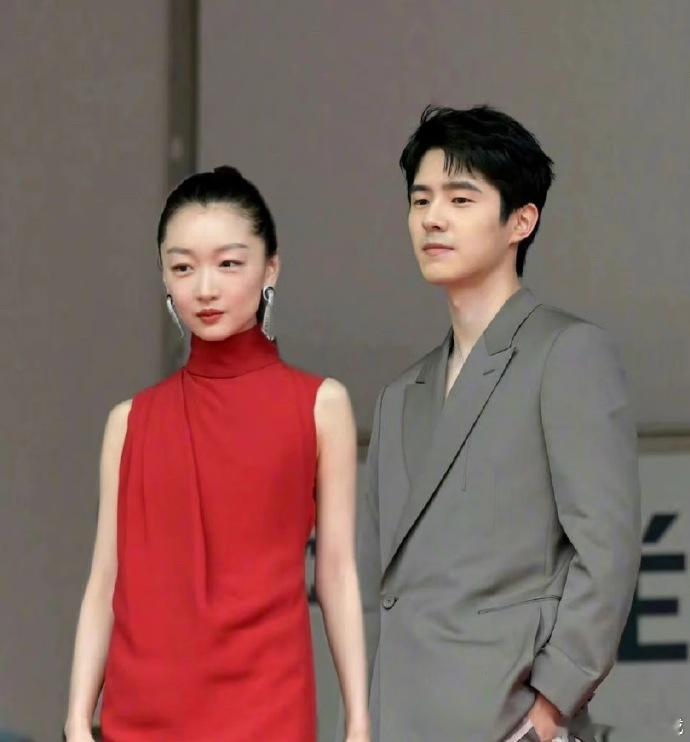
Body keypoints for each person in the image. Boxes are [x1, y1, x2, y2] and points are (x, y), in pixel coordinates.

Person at [354, 106, 641, 742]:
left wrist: (548, 711)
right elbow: (375, 582)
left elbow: (608, 549)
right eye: (420, 199)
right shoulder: (399, 397)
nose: (433, 218)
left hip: (508, 719)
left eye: (461, 199)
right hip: (401, 719)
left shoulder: (566, 353)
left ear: (521, 220)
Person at [65, 166, 371, 742]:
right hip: (142, 712)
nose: (205, 288)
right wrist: (77, 717)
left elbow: (336, 571)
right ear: (164, 276)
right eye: (183, 267)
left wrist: (359, 718)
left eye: (228, 263)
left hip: (268, 707)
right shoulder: (129, 423)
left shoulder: (320, 406)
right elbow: (106, 578)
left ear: (270, 268)